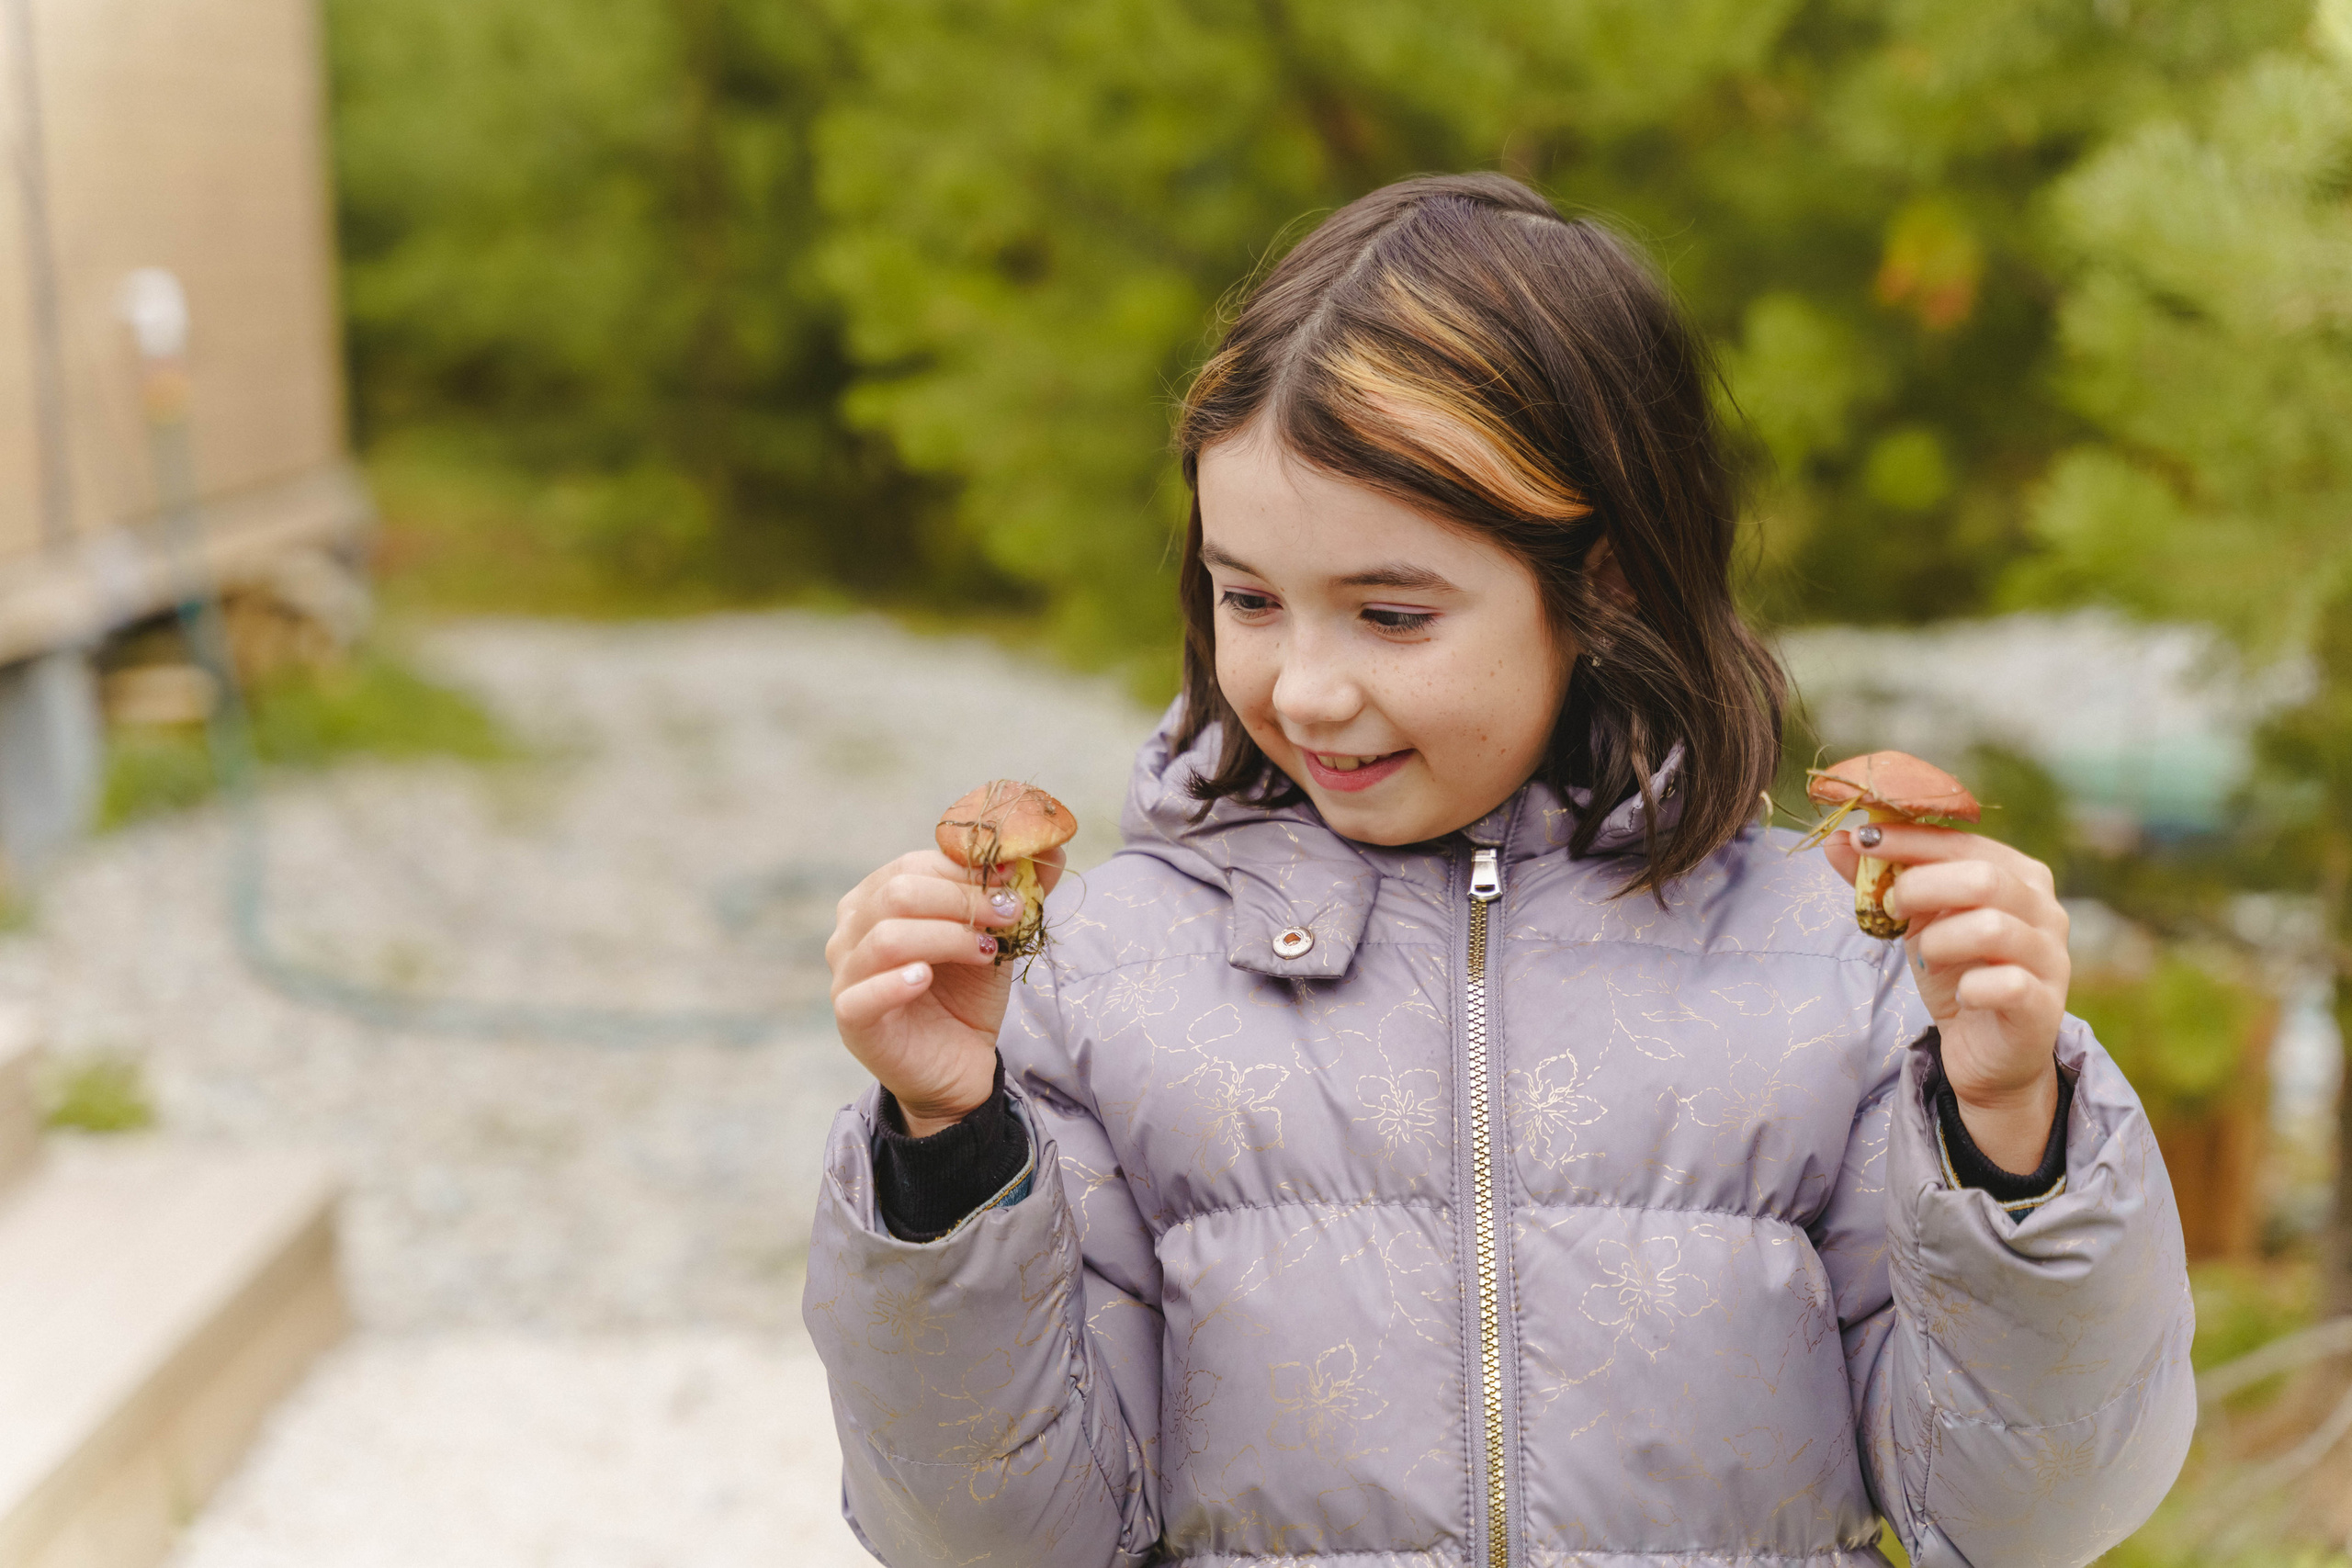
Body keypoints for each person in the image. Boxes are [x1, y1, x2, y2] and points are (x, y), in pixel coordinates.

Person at [808, 173, 2194, 1568]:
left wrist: (2013, 1131)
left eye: (1391, 612)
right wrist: (949, 1143)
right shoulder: (1099, 985)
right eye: (1249, 599)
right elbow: (992, 1541)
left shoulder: (1837, 972)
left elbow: (2026, 1519)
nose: (1305, 687)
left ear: (1609, 583)